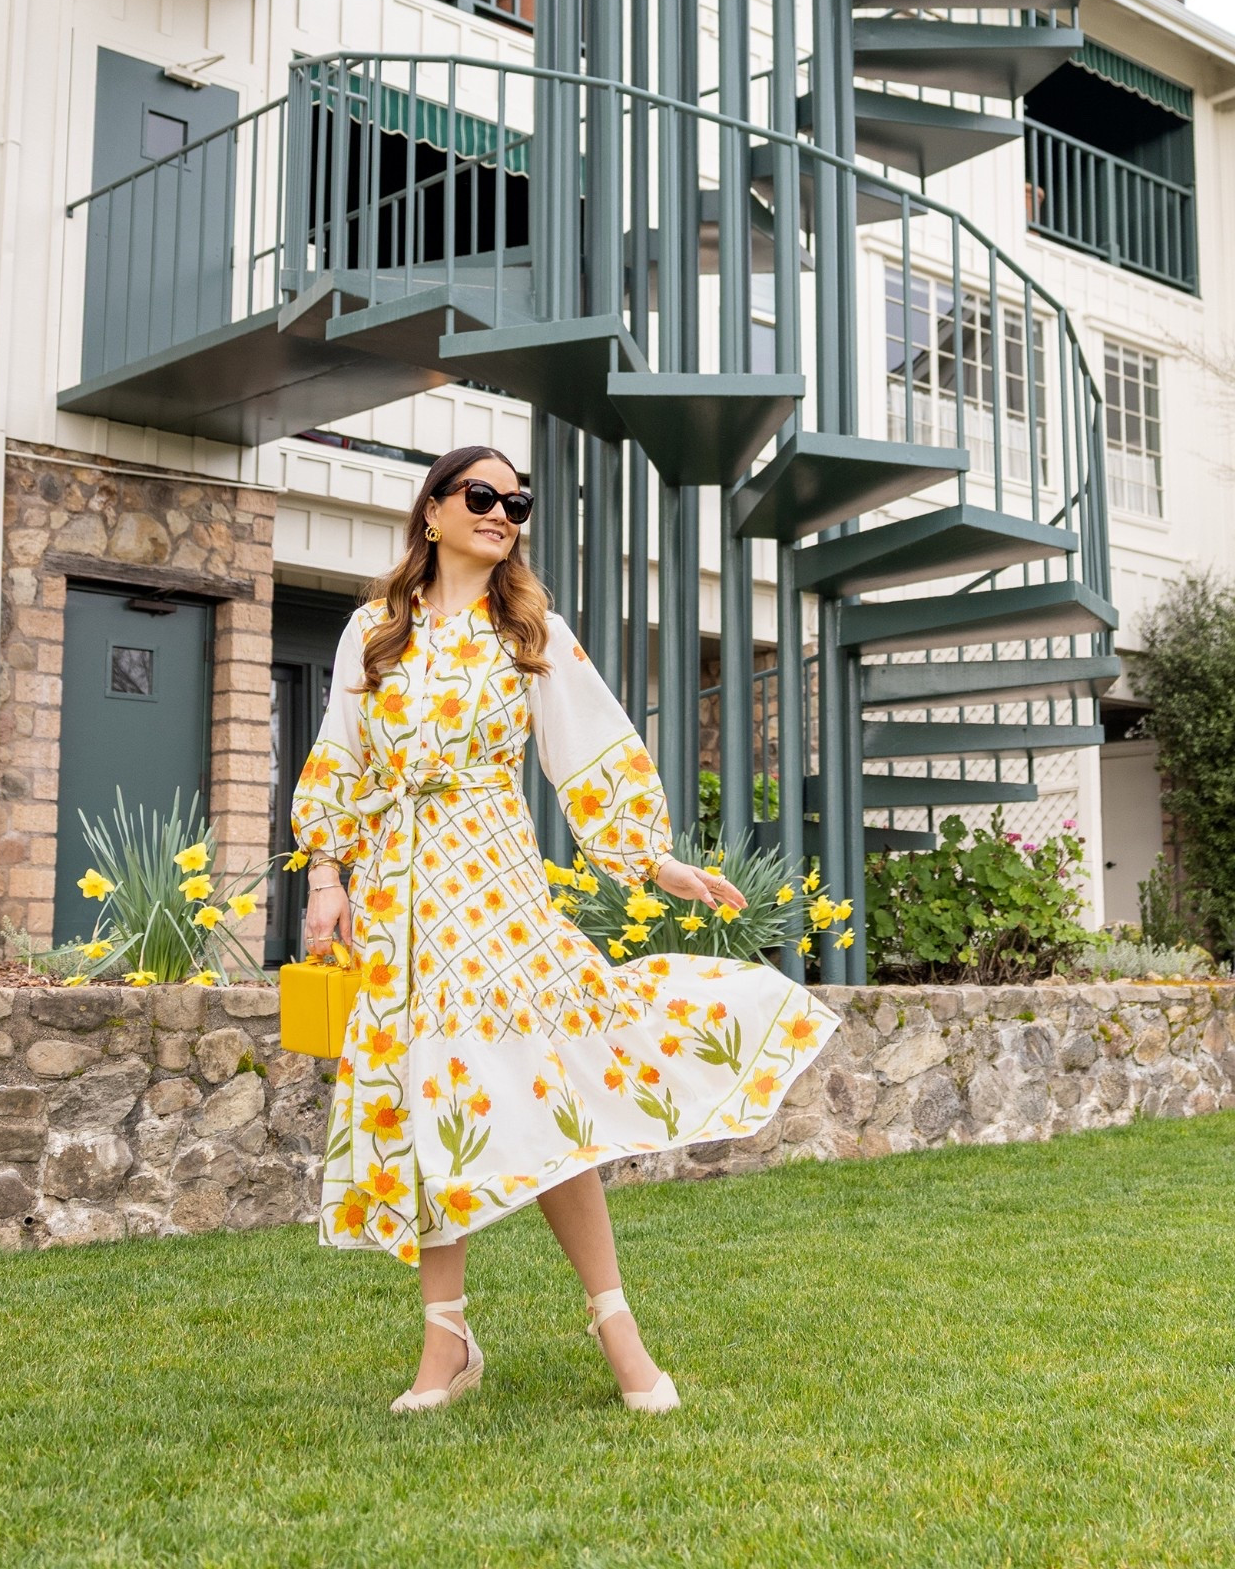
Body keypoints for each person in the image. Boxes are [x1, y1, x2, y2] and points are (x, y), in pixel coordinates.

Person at [292, 444, 838, 1414]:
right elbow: (338, 758)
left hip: (490, 880)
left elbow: (591, 750)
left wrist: (654, 859)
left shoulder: (528, 630)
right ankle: (445, 1341)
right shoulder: (371, 631)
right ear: (432, 512)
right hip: (396, 896)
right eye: (481, 494)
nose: (502, 510)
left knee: (547, 1086)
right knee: (424, 1095)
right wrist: (327, 875)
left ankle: (616, 1322)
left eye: (518, 499)